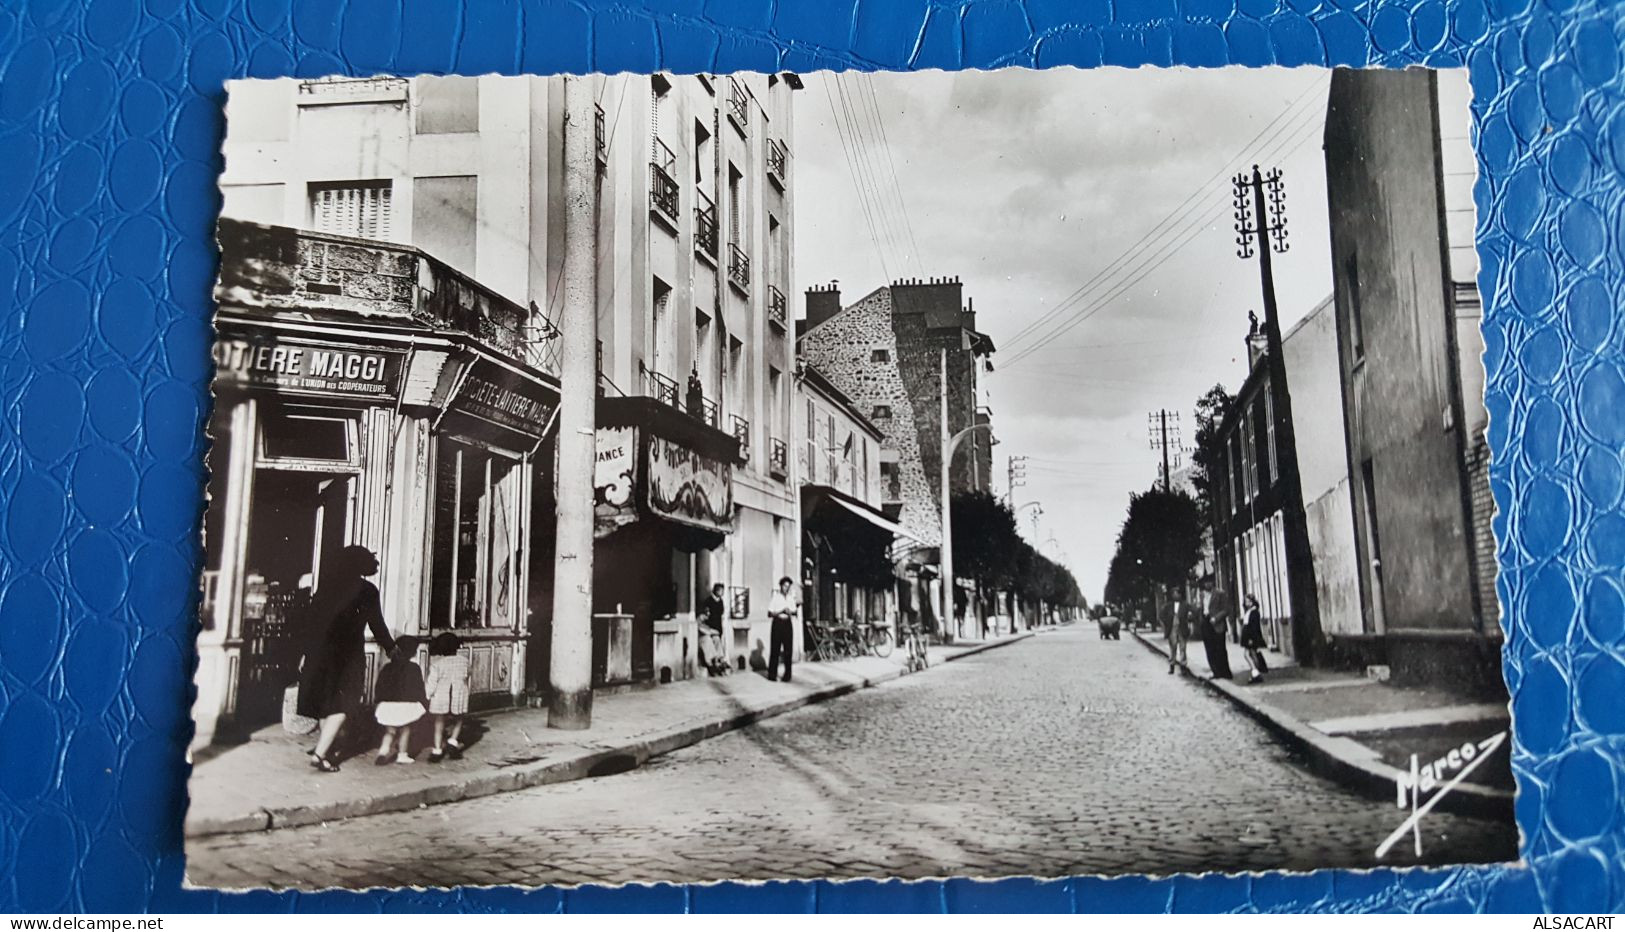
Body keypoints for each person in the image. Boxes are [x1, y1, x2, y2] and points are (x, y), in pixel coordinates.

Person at [297, 545, 395, 773]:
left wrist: (304, 652)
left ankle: (326, 748)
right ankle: (321, 754)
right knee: (344, 703)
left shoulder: (328, 585)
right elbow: (377, 624)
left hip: (319, 650)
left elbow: (312, 620)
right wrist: (391, 647)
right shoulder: (367, 590)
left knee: (325, 703)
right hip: (347, 654)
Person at [373, 636, 427, 766]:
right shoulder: (414, 668)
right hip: (406, 705)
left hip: (388, 705)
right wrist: (422, 701)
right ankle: (402, 755)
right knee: (405, 730)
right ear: (412, 652)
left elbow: (379, 686)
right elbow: (418, 687)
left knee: (390, 731)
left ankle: (383, 751)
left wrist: (378, 702)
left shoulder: (387, 667)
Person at [424, 631, 471, 761]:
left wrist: (428, 695)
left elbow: (432, 682)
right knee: (459, 719)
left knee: (439, 723)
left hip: (441, 696)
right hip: (458, 694)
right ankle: (453, 741)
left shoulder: (437, 664)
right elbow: (467, 675)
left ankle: (437, 750)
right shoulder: (464, 661)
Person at [1198, 574, 1233, 680]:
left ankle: (1225, 672)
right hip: (1206, 622)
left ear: (1212, 583)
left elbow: (1226, 609)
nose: (1207, 584)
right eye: (1205, 583)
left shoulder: (1220, 593)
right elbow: (1201, 608)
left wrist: (1216, 618)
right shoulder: (1202, 595)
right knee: (1209, 649)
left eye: (1209, 582)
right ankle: (1215, 672)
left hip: (1217, 624)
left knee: (1220, 649)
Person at [766, 576, 799, 683]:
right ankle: (772, 674)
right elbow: (770, 613)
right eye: (785, 586)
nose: (786, 588)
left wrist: (790, 612)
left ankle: (787, 675)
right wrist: (781, 611)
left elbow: (795, 612)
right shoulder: (776, 597)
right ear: (781, 586)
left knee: (788, 650)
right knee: (775, 649)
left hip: (787, 624)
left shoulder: (790, 598)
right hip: (778, 623)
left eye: (788, 587)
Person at [699, 583, 730, 676]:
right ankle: (712, 663)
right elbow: (701, 627)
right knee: (708, 641)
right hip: (708, 631)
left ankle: (720, 660)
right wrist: (710, 630)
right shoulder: (708, 602)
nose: (722, 593)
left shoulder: (720, 601)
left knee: (717, 639)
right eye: (721, 591)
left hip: (716, 629)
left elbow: (721, 614)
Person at [1239, 593, 1269, 684]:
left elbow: (1254, 627)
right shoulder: (1249, 612)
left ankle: (1256, 673)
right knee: (1252, 654)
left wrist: (1251, 638)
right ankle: (1255, 672)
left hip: (1251, 637)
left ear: (1252, 602)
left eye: (1248, 601)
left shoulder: (1254, 612)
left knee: (1247, 654)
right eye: (1246, 601)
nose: (1247, 603)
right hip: (1248, 636)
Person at [1161, 587, 1190, 675]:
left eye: (1177, 593)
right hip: (1172, 628)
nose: (1175, 595)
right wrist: (1166, 624)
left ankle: (1183, 665)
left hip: (1182, 627)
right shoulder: (1168, 605)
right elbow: (1161, 615)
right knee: (1173, 647)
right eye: (1173, 593)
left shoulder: (1185, 605)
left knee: (1183, 647)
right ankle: (1172, 665)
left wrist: (1189, 618)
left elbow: (1194, 611)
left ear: (1180, 595)